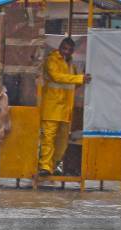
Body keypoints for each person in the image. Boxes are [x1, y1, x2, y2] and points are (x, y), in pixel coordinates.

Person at [38, 37, 91, 177]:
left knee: (62, 142)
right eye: (64, 48)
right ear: (60, 47)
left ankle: (53, 165)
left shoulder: (70, 64)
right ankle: (45, 166)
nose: (66, 52)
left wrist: (82, 80)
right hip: (51, 107)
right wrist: (79, 79)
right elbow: (57, 77)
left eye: (69, 50)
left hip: (66, 110)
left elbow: (72, 84)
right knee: (48, 138)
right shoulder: (52, 60)